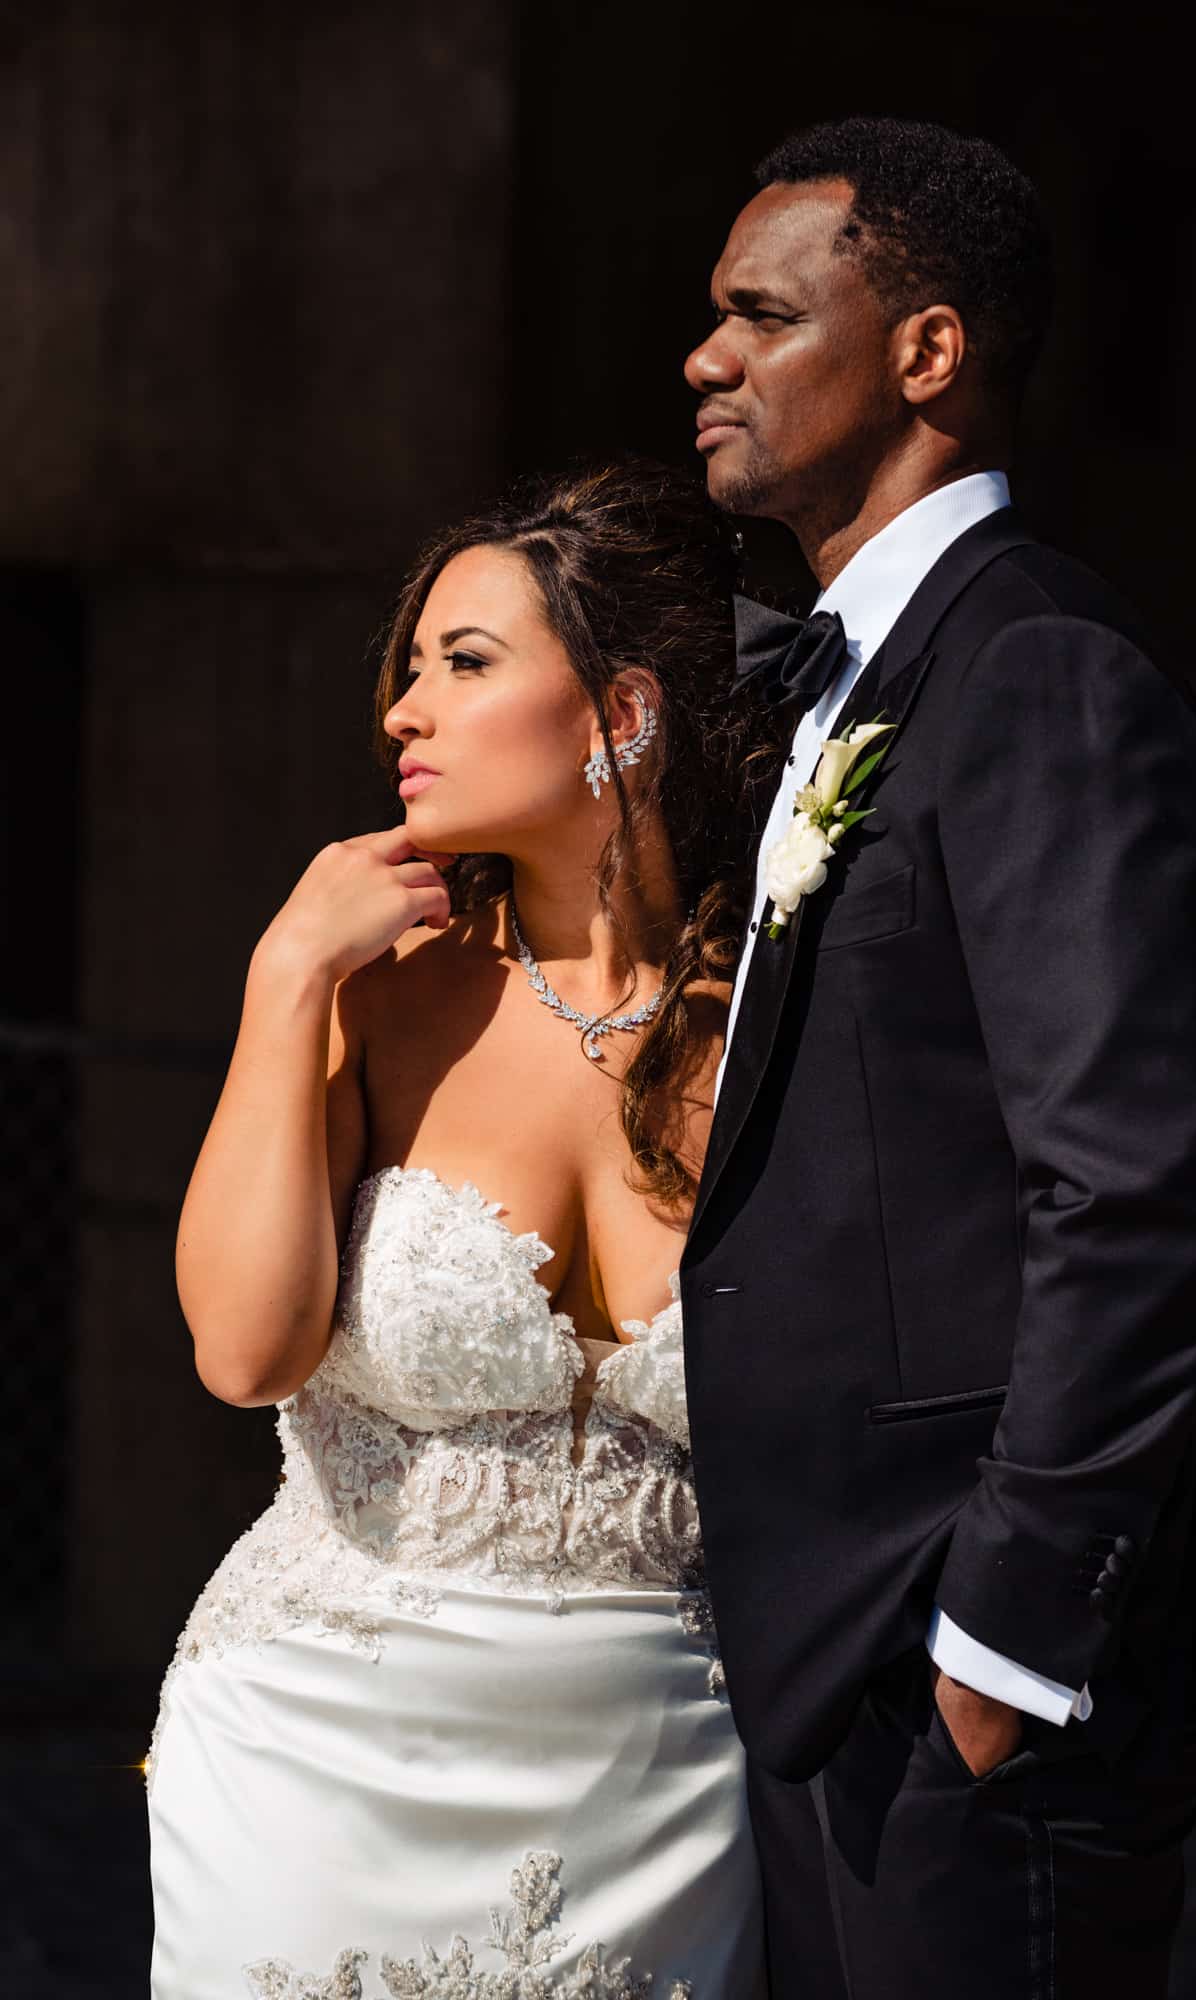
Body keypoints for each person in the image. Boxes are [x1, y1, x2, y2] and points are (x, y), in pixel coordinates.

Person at [679, 114, 1196, 1999]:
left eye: (760, 315)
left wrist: (1000, 1647)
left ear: (928, 353)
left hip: (961, 1676)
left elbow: (1133, 1190)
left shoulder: (1038, 668)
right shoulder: (844, 677)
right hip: (825, 1665)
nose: (703, 357)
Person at [145, 462, 781, 1999]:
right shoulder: (371, 999)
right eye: (410, 669)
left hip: (659, 1792)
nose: (403, 712)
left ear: (621, 713)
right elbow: (241, 1353)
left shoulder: (773, 1032)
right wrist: (285, 977)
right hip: (318, 1752)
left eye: (466, 663)